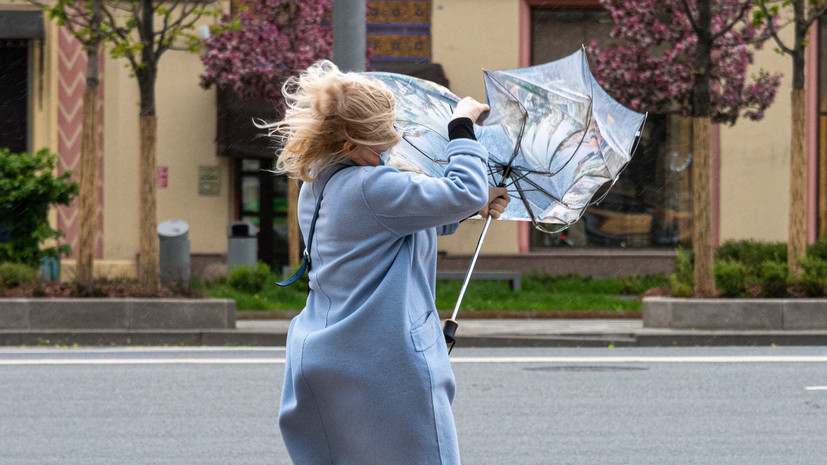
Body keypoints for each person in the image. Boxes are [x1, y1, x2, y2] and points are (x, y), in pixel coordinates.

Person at [268, 60, 509, 465]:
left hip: (324, 358)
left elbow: (392, 228)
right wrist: (461, 127)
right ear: (348, 145)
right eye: (380, 145)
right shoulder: (373, 187)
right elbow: (462, 191)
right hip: (384, 365)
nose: (389, 150)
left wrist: (474, 205)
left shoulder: (317, 185)